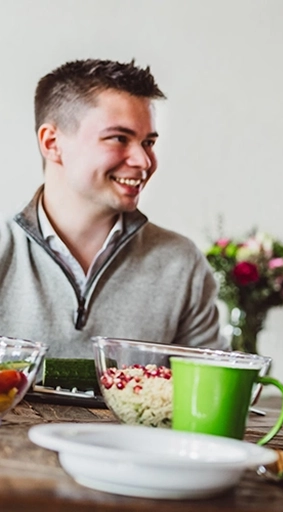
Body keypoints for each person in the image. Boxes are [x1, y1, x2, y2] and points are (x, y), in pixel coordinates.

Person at [0, 59, 226, 357]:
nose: (144, 161)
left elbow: (210, 395)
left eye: (148, 142)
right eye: (119, 138)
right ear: (52, 143)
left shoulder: (181, 264)